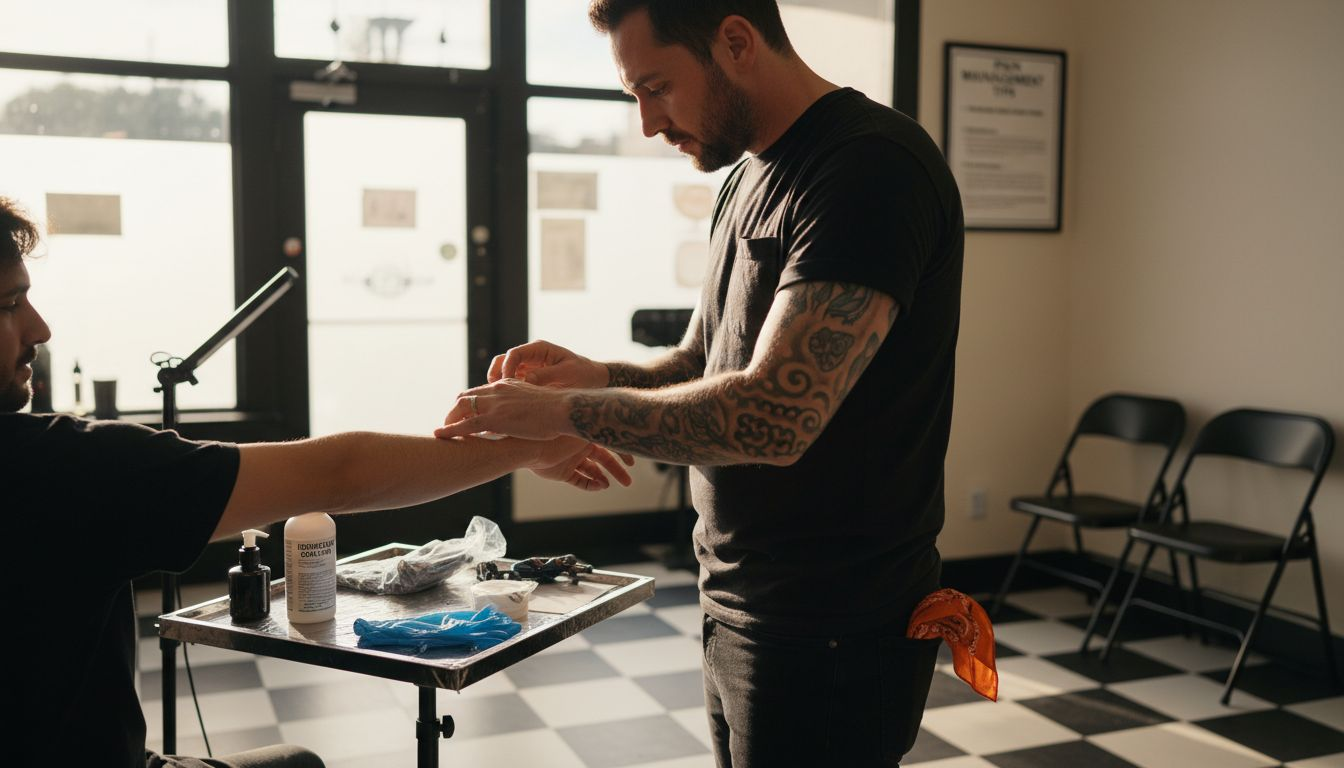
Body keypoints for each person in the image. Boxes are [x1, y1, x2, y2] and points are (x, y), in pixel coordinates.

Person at [436, 1, 965, 765]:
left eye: (657, 88)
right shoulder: (745, 176)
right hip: (738, 598)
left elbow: (775, 418)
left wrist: (567, 412)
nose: (649, 123)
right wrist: (599, 375)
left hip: (834, 622)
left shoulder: (870, 169)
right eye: (634, 96)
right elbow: (698, 365)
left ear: (737, 41)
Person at [0, 196, 632, 768]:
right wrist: (530, 448)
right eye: (8, 304)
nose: (39, 329)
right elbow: (339, 472)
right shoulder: (53, 466)